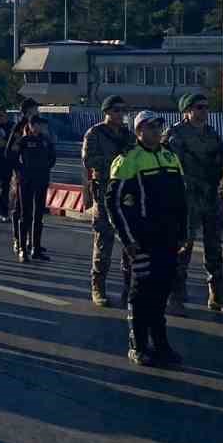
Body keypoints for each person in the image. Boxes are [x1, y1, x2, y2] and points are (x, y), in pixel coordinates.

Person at [106, 113, 188, 366]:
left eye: (158, 126)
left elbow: (181, 199)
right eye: (150, 127)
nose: (155, 131)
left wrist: (183, 234)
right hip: (141, 240)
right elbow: (114, 204)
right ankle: (138, 345)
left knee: (161, 292)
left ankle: (161, 344)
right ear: (138, 131)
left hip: (169, 239)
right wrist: (128, 240)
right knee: (141, 294)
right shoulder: (128, 160)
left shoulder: (170, 156)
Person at [164, 91, 223, 313]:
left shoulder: (212, 134)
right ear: (187, 111)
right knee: (183, 247)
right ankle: (176, 295)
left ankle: (216, 294)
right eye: (199, 107)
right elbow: (169, 165)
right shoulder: (175, 135)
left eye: (205, 107)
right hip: (188, 197)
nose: (204, 111)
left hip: (211, 195)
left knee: (214, 247)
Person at [82, 96, 135, 306]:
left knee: (129, 242)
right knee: (103, 242)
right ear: (106, 112)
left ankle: (129, 288)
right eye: (116, 110)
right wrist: (116, 161)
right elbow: (89, 160)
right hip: (105, 192)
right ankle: (98, 286)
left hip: (126, 194)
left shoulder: (128, 135)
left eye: (122, 110)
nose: (120, 114)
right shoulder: (95, 133)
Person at [11, 114, 57, 263]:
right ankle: (22, 249)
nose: (39, 127)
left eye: (40, 125)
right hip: (26, 181)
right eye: (35, 124)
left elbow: (53, 157)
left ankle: (36, 248)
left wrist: (44, 168)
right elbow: (12, 156)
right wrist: (20, 171)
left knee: (39, 215)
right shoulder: (23, 140)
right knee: (25, 215)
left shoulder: (46, 140)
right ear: (30, 126)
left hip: (41, 180)